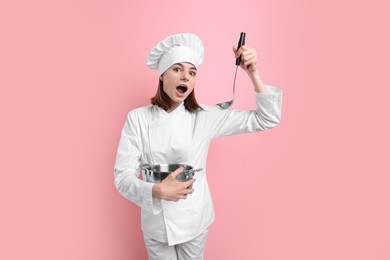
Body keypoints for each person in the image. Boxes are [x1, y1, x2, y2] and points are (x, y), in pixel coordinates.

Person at [114, 33, 282, 260]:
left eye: (192, 73)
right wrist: (155, 190)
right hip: (156, 225)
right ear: (162, 76)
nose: (185, 77)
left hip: (194, 221)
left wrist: (253, 73)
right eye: (177, 69)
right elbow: (122, 176)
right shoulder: (138, 119)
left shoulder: (204, 117)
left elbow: (267, 118)